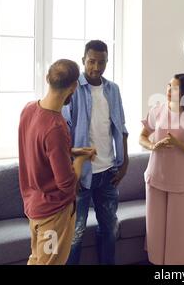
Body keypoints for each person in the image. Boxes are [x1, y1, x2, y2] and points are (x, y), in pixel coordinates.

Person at [18, 59, 96, 265]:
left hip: (34, 206)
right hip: (53, 215)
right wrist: (80, 159)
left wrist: (70, 150)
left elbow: (37, 149)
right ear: (73, 87)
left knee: (36, 260)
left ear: (48, 79)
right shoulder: (56, 127)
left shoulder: (28, 110)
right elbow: (66, 184)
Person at [62, 40, 129, 265]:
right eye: (91, 61)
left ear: (107, 62)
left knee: (110, 229)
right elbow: (62, 134)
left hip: (108, 172)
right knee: (76, 233)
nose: (96, 67)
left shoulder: (113, 89)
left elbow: (121, 128)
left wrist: (125, 162)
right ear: (83, 61)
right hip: (81, 174)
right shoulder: (73, 89)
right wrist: (72, 172)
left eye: (102, 62)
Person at [139, 73, 184, 265]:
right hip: (156, 176)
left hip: (180, 180)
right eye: (168, 85)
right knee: (155, 224)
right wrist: (152, 146)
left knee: (179, 226)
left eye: (175, 88)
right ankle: (156, 261)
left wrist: (177, 143)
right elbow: (142, 136)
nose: (169, 90)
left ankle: (177, 263)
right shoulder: (157, 111)